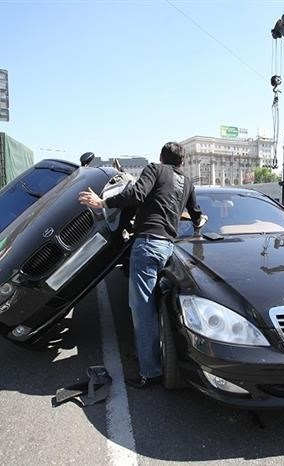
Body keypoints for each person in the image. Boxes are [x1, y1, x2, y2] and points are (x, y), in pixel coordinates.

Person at [78, 142, 207, 388]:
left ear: (161, 157)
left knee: (142, 310)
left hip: (147, 244)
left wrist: (102, 203)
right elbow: (196, 213)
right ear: (182, 161)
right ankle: (158, 356)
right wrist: (200, 224)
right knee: (157, 307)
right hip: (168, 248)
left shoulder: (155, 170)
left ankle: (150, 371)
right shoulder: (188, 183)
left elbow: (136, 194)